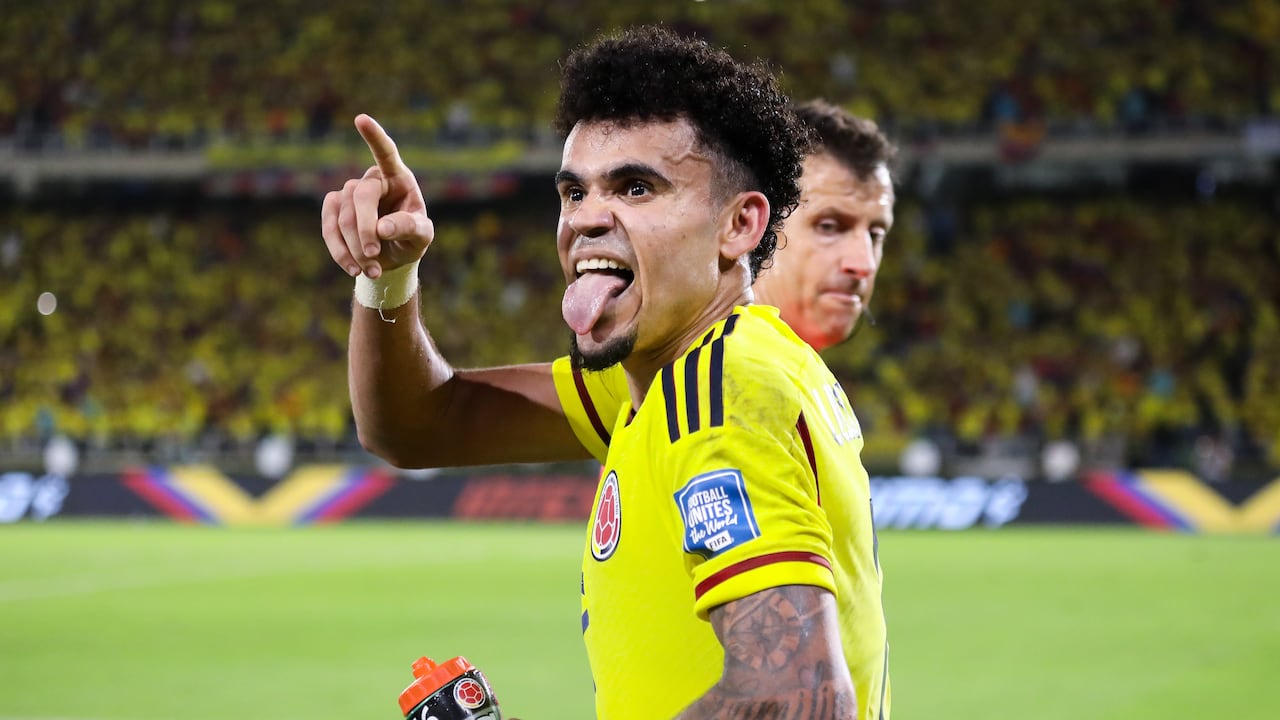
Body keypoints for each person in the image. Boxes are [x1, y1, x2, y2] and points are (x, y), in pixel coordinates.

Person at [322, 25, 888, 720]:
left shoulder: (721, 391)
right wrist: (390, 277)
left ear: (739, 226)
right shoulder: (664, 378)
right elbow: (421, 426)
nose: (588, 218)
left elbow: (798, 698)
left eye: (637, 188)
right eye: (574, 192)